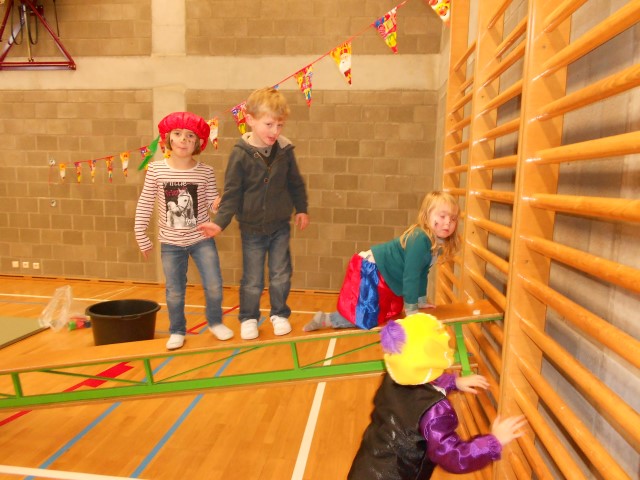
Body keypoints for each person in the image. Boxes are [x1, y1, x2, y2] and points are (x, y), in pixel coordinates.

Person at [348, 313, 527, 479]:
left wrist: (454, 382)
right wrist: (493, 442)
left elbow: (419, 385)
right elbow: (452, 456)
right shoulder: (435, 411)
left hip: (365, 468)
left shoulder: (394, 377)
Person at [198, 87, 309, 340]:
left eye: (280, 125)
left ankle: (279, 314)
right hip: (251, 229)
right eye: (269, 124)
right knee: (252, 278)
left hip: (280, 226)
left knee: (281, 273)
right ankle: (248, 317)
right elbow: (231, 193)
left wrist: (301, 209)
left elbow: (295, 183)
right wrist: (219, 223)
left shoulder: (285, 150)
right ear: (250, 120)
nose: (275, 131)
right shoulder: (241, 154)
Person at [135, 111, 233, 350]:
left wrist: (220, 204)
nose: (183, 139)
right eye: (178, 134)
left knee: (214, 284)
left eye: (190, 136)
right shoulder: (156, 170)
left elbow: (211, 202)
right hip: (171, 244)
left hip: (201, 239)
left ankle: (216, 322)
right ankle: (177, 330)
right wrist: (141, 234)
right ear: (168, 138)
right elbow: (145, 203)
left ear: (198, 143)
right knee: (175, 291)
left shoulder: (205, 171)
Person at [304, 191, 459, 332]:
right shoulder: (420, 238)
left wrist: (420, 300)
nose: (448, 222)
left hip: (385, 275)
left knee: (385, 313)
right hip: (372, 269)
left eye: (453, 219)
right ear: (427, 215)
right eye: (442, 216)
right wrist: (412, 311)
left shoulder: (434, 244)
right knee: (365, 316)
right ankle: (325, 319)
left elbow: (422, 273)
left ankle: (326, 319)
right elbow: (411, 276)